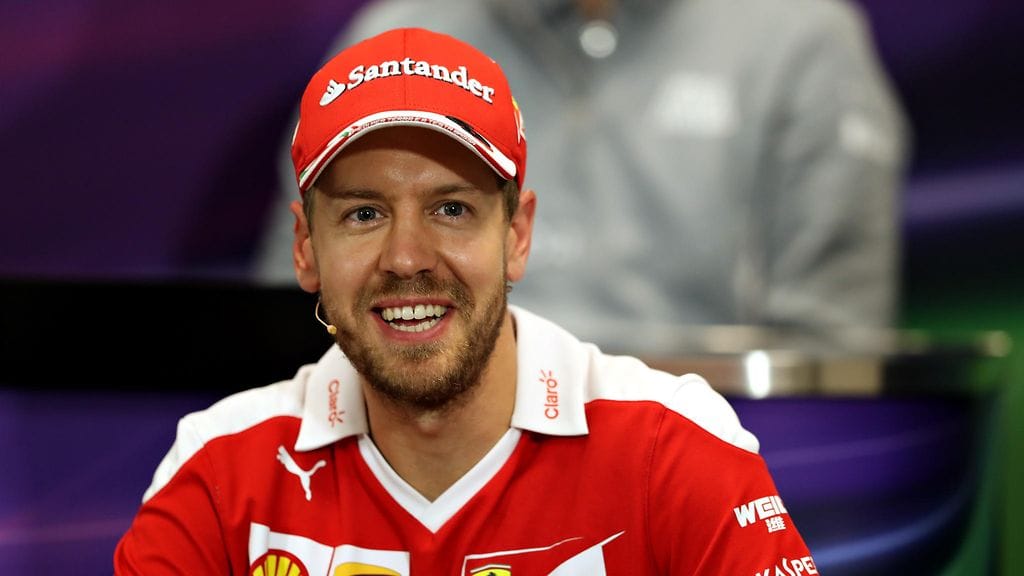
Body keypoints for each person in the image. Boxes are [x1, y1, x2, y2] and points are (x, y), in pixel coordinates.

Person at [115, 28, 815, 574]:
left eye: (451, 209)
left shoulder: (674, 446)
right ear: (305, 249)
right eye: (364, 213)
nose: (407, 257)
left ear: (517, 235)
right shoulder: (219, 470)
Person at [253, 0, 908, 356]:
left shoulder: (802, 41)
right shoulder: (391, 40)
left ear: (521, 228)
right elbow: (299, 318)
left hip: (702, 464)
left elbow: (834, 358)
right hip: (421, 461)